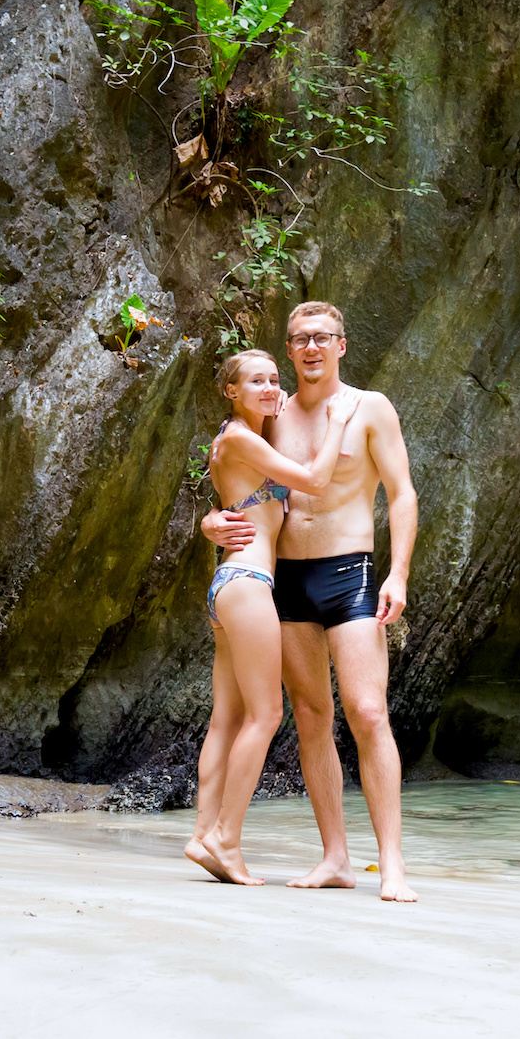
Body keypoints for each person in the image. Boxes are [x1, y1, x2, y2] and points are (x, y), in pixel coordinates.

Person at [202, 301, 419, 902]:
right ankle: (335, 858)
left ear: (342, 345)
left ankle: (393, 864)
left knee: (369, 712)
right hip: (287, 579)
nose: (311, 348)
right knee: (310, 717)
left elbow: (402, 495)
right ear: (290, 348)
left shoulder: (368, 408)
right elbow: (239, 475)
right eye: (299, 339)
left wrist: (397, 573)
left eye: (323, 337)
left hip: (351, 571)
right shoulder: (272, 416)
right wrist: (211, 521)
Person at [187, 349, 358, 886]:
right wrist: (335, 424)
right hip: (250, 582)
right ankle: (226, 840)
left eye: (272, 379)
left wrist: (209, 521)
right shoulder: (239, 437)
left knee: (228, 720)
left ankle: (201, 834)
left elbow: (242, 497)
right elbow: (310, 479)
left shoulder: (240, 437)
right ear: (229, 390)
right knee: (264, 716)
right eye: (254, 380)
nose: (268, 387)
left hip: (230, 586)